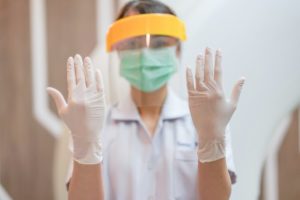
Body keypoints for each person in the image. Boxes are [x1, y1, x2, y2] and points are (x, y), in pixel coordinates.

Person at [47, 0, 245, 199]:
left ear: (177, 49)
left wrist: (211, 137)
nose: (145, 52)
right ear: (118, 51)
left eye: (158, 43)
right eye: (133, 43)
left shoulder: (207, 121)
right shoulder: (92, 126)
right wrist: (86, 143)